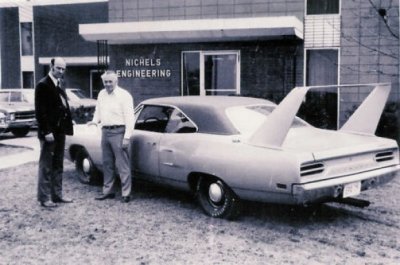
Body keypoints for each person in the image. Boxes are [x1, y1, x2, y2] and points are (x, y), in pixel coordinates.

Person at [89, 70, 134, 203]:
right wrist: (94, 121)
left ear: (116, 81)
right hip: (105, 132)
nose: (108, 84)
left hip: (119, 132)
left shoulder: (124, 95)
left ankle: (126, 193)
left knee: (122, 165)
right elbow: (98, 111)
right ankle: (108, 191)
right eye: (105, 82)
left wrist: (127, 137)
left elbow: (130, 118)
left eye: (110, 81)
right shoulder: (102, 94)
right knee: (107, 164)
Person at [35, 57, 74, 207]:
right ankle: (44, 198)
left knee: (58, 164)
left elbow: (62, 106)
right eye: (58, 68)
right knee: (46, 165)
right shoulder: (43, 85)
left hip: (60, 131)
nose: (61, 71)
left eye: (63, 69)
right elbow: (40, 111)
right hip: (49, 133)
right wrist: (46, 131)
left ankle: (57, 195)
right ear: (51, 66)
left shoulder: (60, 84)